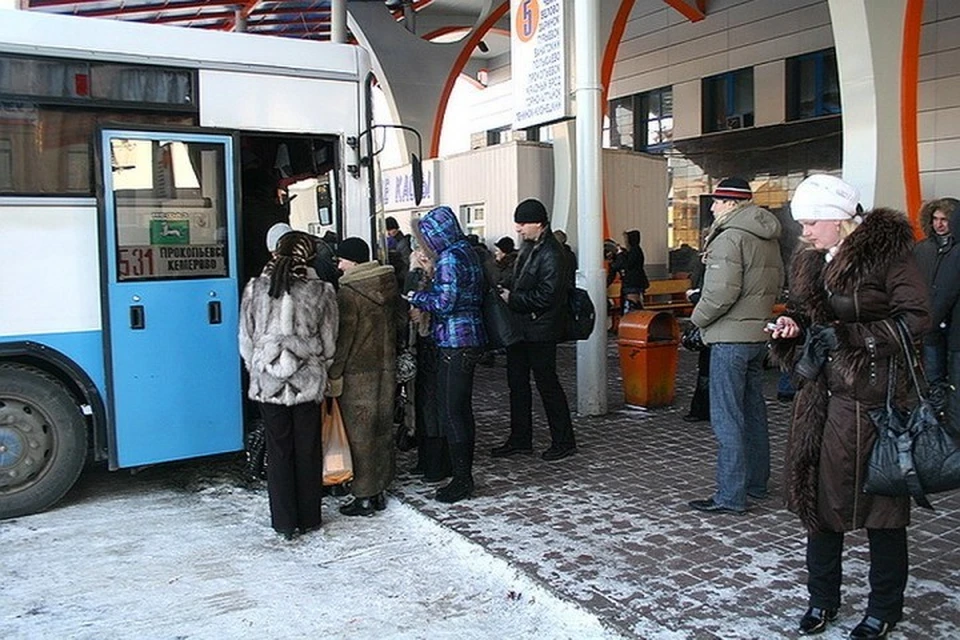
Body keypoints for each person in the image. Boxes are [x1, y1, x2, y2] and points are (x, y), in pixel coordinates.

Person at [768, 174, 930, 639]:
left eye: (812, 222)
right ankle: (822, 600)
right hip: (821, 400)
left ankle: (884, 608)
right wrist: (791, 327)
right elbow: (807, 313)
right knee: (816, 505)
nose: (805, 232)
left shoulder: (887, 253)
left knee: (883, 512)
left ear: (840, 219)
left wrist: (847, 339)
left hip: (876, 402)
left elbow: (917, 318)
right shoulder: (812, 258)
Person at [687, 177, 783, 515]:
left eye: (716, 201)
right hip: (757, 336)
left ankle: (730, 495)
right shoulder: (767, 236)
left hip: (729, 339)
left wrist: (696, 320)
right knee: (754, 414)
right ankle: (756, 483)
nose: (712, 207)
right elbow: (778, 282)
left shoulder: (730, 238)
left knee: (727, 419)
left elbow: (720, 293)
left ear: (730, 204)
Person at [239, 231, 338, 540]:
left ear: (275, 253)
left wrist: (260, 366)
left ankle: (283, 521)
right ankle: (309, 518)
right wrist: (319, 367)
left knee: (279, 450)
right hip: (307, 382)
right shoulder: (321, 291)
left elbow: (246, 339)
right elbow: (330, 342)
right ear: (308, 258)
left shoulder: (255, 289)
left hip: (268, 383)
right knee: (308, 449)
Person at [407, 206, 487, 502]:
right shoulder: (465, 250)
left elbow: (445, 302)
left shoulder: (450, 258)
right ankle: (461, 474)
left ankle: (462, 480)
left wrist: (417, 297)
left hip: (456, 341)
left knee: (453, 413)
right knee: (459, 411)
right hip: (466, 339)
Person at [491, 198, 577, 462]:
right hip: (522, 327)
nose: (517, 228)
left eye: (522, 223)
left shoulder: (552, 252)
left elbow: (548, 296)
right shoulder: (529, 248)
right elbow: (520, 281)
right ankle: (520, 439)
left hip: (541, 330)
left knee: (547, 384)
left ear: (538, 223)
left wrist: (512, 299)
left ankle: (563, 441)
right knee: (517, 384)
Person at [327, 237, 399, 516]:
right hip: (386, 370)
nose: (339, 265)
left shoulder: (349, 292)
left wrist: (333, 374)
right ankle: (379, 490)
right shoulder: (387, 285)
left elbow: (343, 341)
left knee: (359, 437)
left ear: (353, 261)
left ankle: (364, 496)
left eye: (342, 260)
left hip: (358, 376)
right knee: (381, 431)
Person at [913, 198, 960, 390]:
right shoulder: (922, 249)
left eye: (945, 219)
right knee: (933, 380)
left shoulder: (956, 250)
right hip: (930, 326)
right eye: (935, 218)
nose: (939, 224)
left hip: (953, 327)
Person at [682, 249, 709, 422]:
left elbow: (713, 298)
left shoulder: (716, 265)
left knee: (707, 370)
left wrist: (695, 298)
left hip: (714, 326)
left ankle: (702, 409)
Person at [608, 229, 649, 313]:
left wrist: (619, 253)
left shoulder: (635, 251)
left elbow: (626, 265)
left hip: (632, 283)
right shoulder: (635, 251)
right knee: (634, 305)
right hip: (633, 283)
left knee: (632, 305)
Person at [385, 215, 413, 285]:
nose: (389, 233)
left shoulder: (401, 243)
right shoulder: (396, 241)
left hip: (403, 278)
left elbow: (406, 262)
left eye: (390, 230)